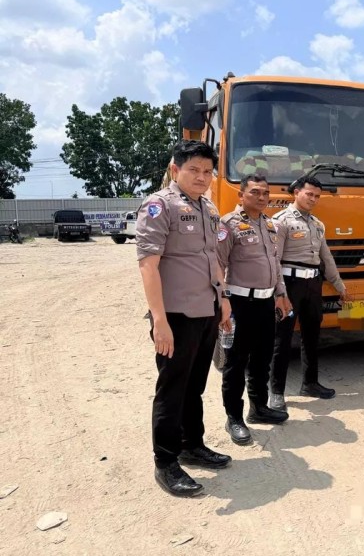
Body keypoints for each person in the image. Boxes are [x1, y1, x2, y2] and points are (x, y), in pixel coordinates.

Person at [136, 140, 232, 497]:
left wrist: (222, 299)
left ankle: (193, 444)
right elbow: (148, 264)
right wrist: (159, 320)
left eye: (207, 171)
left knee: (195, 385)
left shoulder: (208, 207)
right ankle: (166, 463)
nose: (202, 177)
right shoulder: (159, 205)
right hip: (175, 315)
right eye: (194, 169)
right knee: (172, 388)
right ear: (176, 169)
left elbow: (212, 258)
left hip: (206, 310)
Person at [217, 174, 293, 445]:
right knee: (236, 362)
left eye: (266, 193)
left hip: (266, 302)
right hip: (239, 304)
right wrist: (222, 302)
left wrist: (281, 294)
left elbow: (276, 264)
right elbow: (217, 266)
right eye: (255, 192)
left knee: (262, 359)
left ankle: (258, 408)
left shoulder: (271, 225)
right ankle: (233, 418)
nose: (262, 197)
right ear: (241, 195)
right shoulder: (229, 225)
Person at [270, 175, 352, 409]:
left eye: (317, 196)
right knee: (282, 339)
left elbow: (326, 258)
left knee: (312, 336)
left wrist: (339, 286)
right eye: (309, 194)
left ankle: (310, 383)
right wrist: (280, 293)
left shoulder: (317, 224)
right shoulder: (281, 221)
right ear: (296, 193)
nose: (313, 199)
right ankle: (276, 391)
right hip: (289, 285)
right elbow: (274, 259)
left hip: (313, 285)